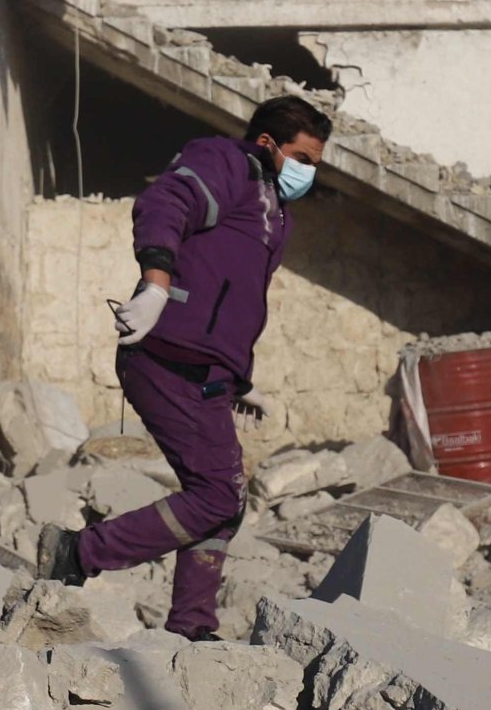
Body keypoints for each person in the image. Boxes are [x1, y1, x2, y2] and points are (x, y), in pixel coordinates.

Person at [35, 94, 332, 638]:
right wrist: (155, 283)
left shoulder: (273, 207)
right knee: (217, 493)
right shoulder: (226, 163)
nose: (310, 172)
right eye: (303, 158)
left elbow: (232, 295)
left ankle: (192, 625)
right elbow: (165, 202)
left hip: (206, 369)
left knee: (225, 501)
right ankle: (78, 553)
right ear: (268, 145)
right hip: (168, 354)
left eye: (316, 162)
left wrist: (239, 378)